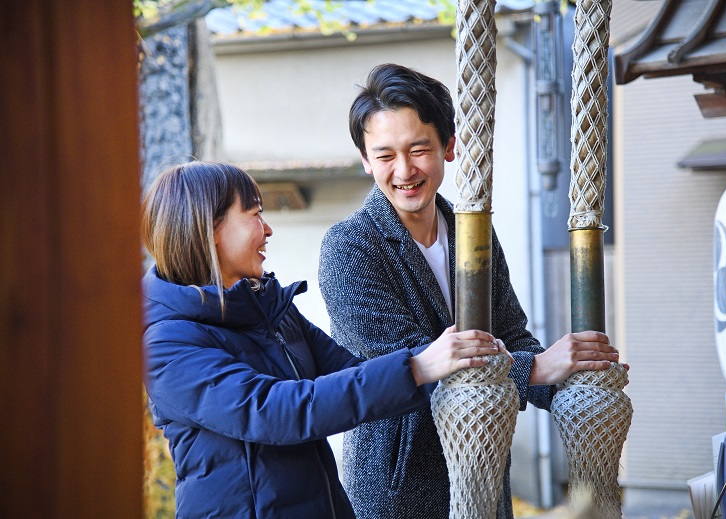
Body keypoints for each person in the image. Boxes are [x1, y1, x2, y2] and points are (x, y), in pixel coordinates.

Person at [318, 63, 625, 519]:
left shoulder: (473, 231)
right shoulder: (347, 247)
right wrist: (537, 369)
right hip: (397, 491)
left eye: (419, 149)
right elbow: (406, 365)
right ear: (365, 160)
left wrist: (575, 378)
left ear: (449, 146)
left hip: (482, 476)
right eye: (384, 156)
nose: (404, 170)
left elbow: (511, 333)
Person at [140, 160, 509, 519]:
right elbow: (277, 411)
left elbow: (356, 374)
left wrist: (465, 365)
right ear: (210, 230)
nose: (267, 230)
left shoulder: (271, 310)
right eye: (254, 214)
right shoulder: (166, 345)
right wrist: (418, 365)